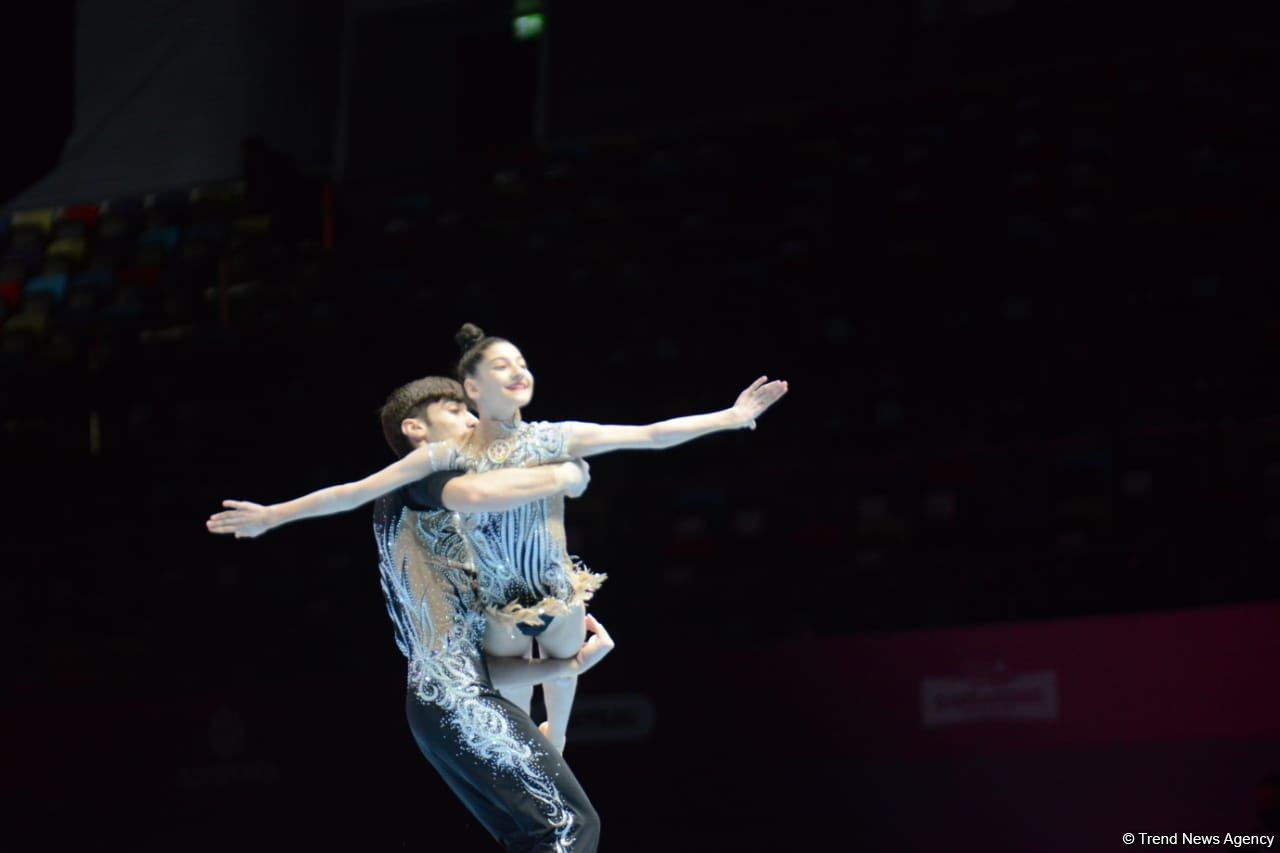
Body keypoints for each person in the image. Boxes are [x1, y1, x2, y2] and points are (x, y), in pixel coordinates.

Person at [208, 376, 610, 851]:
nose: (473, 420)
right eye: (458, 411)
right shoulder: (421, 481)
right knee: (567, 826)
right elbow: (365, 491)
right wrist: (560, 476)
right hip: (457, 707)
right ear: (416, 428)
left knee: (535, 836)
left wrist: (568, 666)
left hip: (441, 707)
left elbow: (473, 669)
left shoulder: (445, 529)